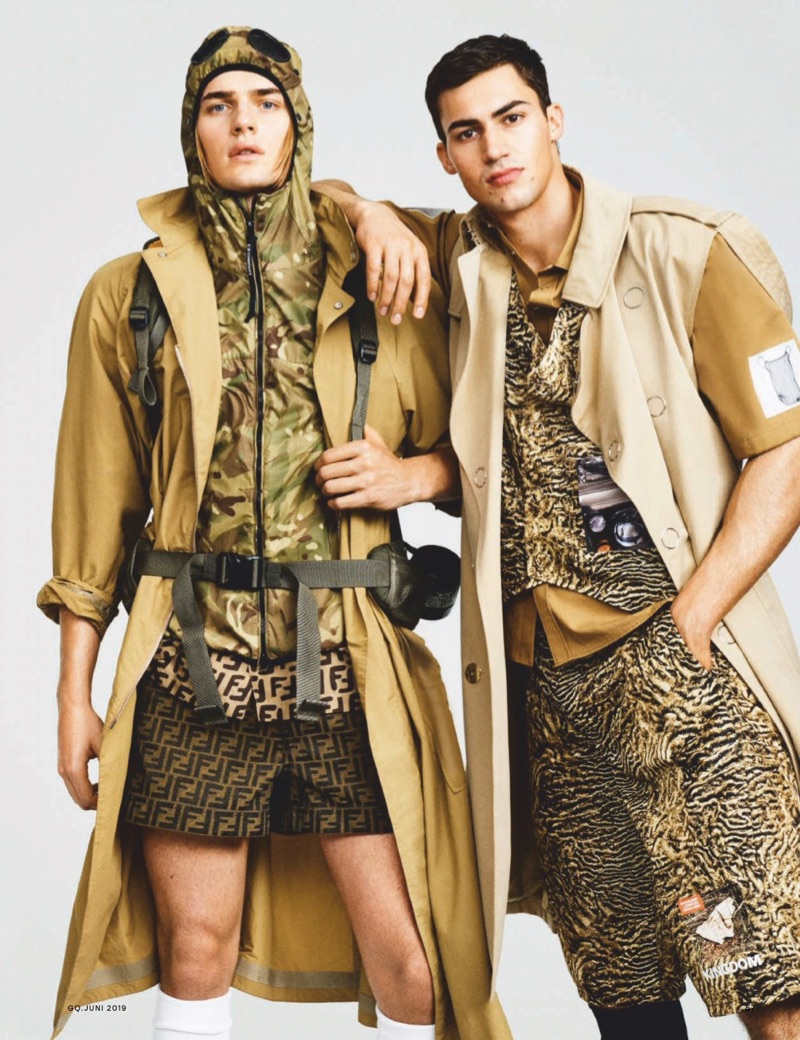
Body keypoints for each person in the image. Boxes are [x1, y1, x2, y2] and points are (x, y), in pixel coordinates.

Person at [320, 33, 800, 1040]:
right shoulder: (460, 263)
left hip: (681, 681)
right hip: (549, 699)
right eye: (465, 132)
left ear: (552, 120)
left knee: (765, 981)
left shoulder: (687, 250)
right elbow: (312, 198)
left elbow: (786, 449)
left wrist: (693, 622)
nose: (494, 146)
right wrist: (370, 214)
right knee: (626, 997)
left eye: (510, 118)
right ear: (444, 154)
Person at [38, 26, 512, 1040]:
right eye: (219, 106)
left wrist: (412, 474)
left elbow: (492, 446)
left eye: (265, 103)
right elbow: (91, 508)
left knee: (415, 968)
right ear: (192, 129)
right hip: (189, 661)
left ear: (298, 125)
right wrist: (74, 693)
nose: (243, 124)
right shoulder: (128, 296)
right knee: (194, 948)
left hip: (343, 656)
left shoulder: (382, 271)